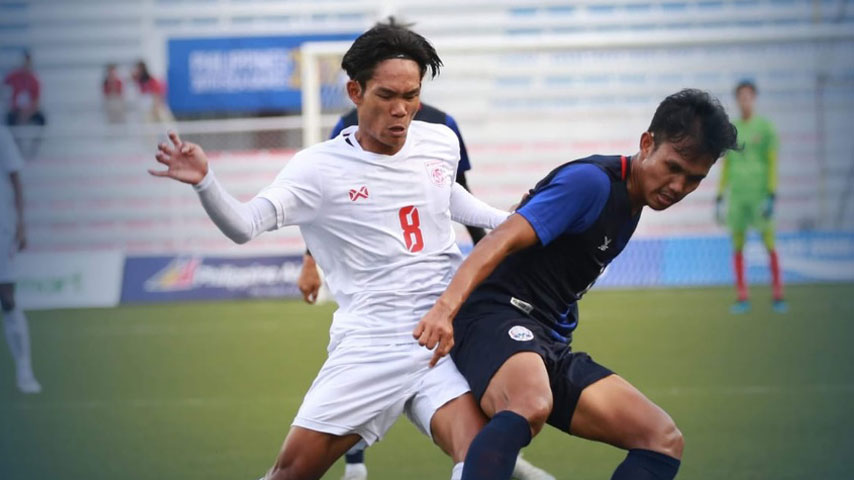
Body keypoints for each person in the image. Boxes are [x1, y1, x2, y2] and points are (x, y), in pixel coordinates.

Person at [150, 23, 510, 480]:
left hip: (440, 337)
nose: (401, 111)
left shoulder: (439, 141)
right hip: (371, 345)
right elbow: (244, 226)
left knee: (481, 458)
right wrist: (205, 181)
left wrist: (514, 221)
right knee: (291, 473)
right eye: (386, 96)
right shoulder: (317, 169)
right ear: (355, 91)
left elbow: (446, 198)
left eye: (412, 95)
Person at [414, 89, 739, 480]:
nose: (678, 185)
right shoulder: (591, 183)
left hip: (547, 342)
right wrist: (445, 309)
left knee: (662, 438)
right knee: (530, 402)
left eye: (693, 179)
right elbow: (499, 240)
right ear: (647, 143)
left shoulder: (633, 200)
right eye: (673, 166)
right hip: (494, 317)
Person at [716, 80, 786, 314]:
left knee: (769, 244)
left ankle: (778, 294)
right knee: (738, 247)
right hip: (738, 197)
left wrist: (771, 194)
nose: (745, 101)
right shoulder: (732, 130)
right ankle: (742, 297)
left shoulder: (765, 128)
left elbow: (773, 162)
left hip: (759, 196)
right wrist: (719, 196)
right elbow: (726, 166)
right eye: (741, 97)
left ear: (754, 98)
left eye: (748, 96)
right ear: (737, 100)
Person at [0, 125, 40, 394]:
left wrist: (22, 224)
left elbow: (15, 177)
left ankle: (24, 369)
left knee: (7, 298)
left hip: (2, 227)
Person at [3, 51, 46, 157]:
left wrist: (27, 114)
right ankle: (16, 147)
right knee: (9, 120)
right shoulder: (13, 76)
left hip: (29, 111)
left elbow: (36, 101)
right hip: (15, 110)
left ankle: (33, 149)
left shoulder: (34, 80)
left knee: (42, 120)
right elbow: (4, 88)